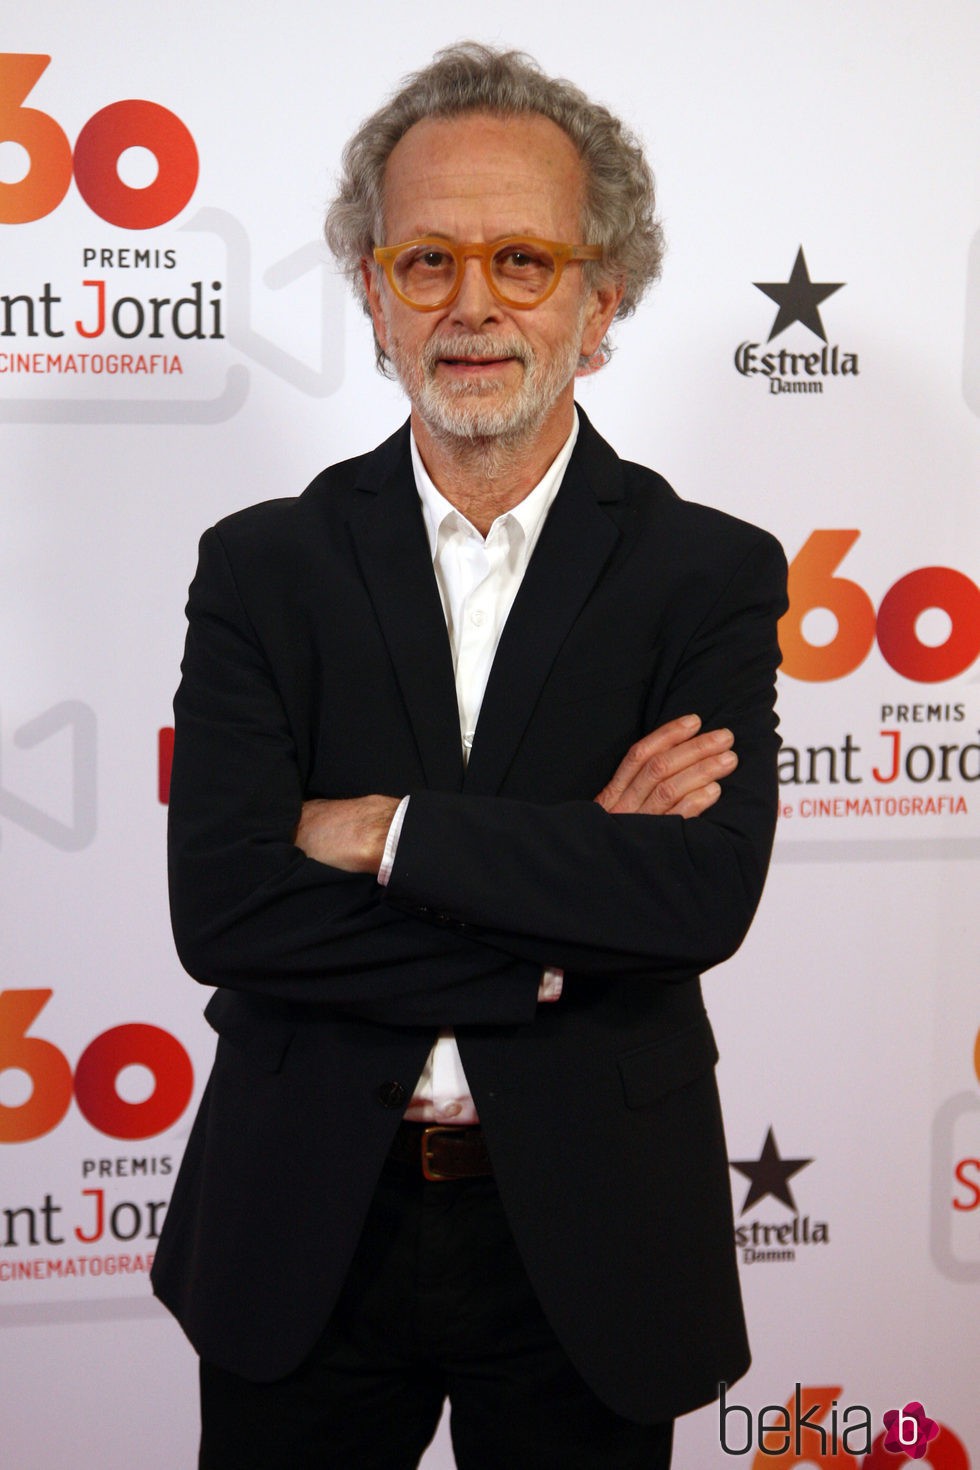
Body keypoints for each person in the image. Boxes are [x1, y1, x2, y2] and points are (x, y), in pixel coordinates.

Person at [152, 42, 787, 1470]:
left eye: (524, 259)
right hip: (306, 1222)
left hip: (594, 1239)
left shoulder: (708, 574)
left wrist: (381, 828)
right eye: (426, 260)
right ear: (374, 297)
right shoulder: (263, 568)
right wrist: (560, 934)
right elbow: (228, 910)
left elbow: (695, 900)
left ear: (601, 299)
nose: (473, 305)